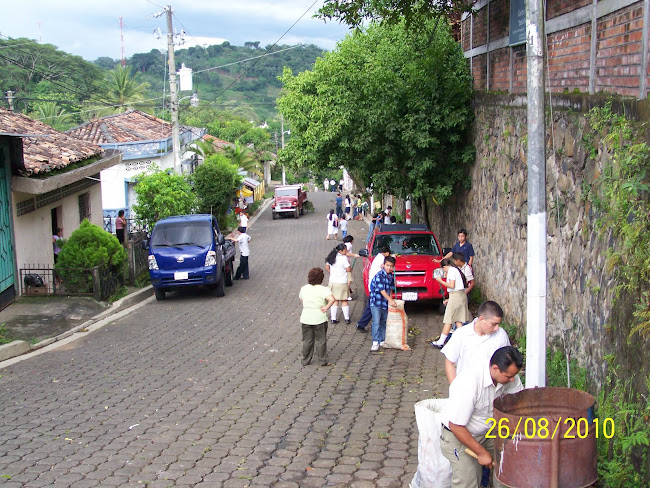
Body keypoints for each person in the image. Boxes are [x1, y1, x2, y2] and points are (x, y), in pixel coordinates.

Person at [441, 346, 524, 488]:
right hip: (459, 435)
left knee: (510, 467)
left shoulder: (510, 378)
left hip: (489, 432)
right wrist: (481, 453)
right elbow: (456, 426)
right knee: (468, 482)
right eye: (508, 376)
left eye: (514, 376)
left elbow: (519, 406)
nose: (512, 380)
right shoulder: (469, 382)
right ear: (495, 368)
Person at [441, 301, 510, 384]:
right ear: (481, 319)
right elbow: (450, 363)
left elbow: (507, 360)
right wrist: (455, 389)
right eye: (494, 324)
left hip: (492, 389)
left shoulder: (501, 334)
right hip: (467, 387)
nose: (496, 328)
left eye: (498, 324)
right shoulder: (461, 334)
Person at [299, 268, 336, 367]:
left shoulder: (304, 288)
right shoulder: (324, 289)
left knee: (307, 340)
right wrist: (326, 307)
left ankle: (305, 360)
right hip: (319, 318)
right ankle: (322, 360)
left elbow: (301, 299)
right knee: (321, 340)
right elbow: (332, 299)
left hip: (306, 317)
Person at [431, 258, 470, 348]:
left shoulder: (451, 271)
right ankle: (465, 341)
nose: (444, 271)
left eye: (443, 269)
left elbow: (452, 286)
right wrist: (449, 299)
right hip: (460, 296)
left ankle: (441, 342)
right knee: (458, 320)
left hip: (456, 296)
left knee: (448, 320)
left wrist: (440, 281)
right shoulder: (455, 270)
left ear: (445, 267)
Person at [356, 246, 391, 332]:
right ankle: (361, 324)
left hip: (374, 286)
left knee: (371, 307)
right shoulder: (381, 259)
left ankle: (362, 324)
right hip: (376, 288)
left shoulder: (378, 257)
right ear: (386, 253)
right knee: (371, 308)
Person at [369, 255, 397, 351]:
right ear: (383, 265)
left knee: (383, 321)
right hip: (376, 302)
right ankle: (375, 341)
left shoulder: (391, 276)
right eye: (387, 265)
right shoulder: (379, 275)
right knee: (376, 321)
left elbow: (391, 289)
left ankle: (382, 340)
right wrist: (391, 300)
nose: (389, 268)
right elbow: (382, 290)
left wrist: (391, 299)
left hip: (384, 303)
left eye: (391, 266)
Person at [325, 243, 352, 324]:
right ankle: (346, 318)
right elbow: (348, 269)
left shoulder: (331, 257)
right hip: (342, 282)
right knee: (344, 300)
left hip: (333, 281)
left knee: (335, 300)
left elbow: (327, 266)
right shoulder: (343, 258)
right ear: (340, 251)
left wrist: (331, 273)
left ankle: (333, 319)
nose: (346, 251)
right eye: (345, 250)